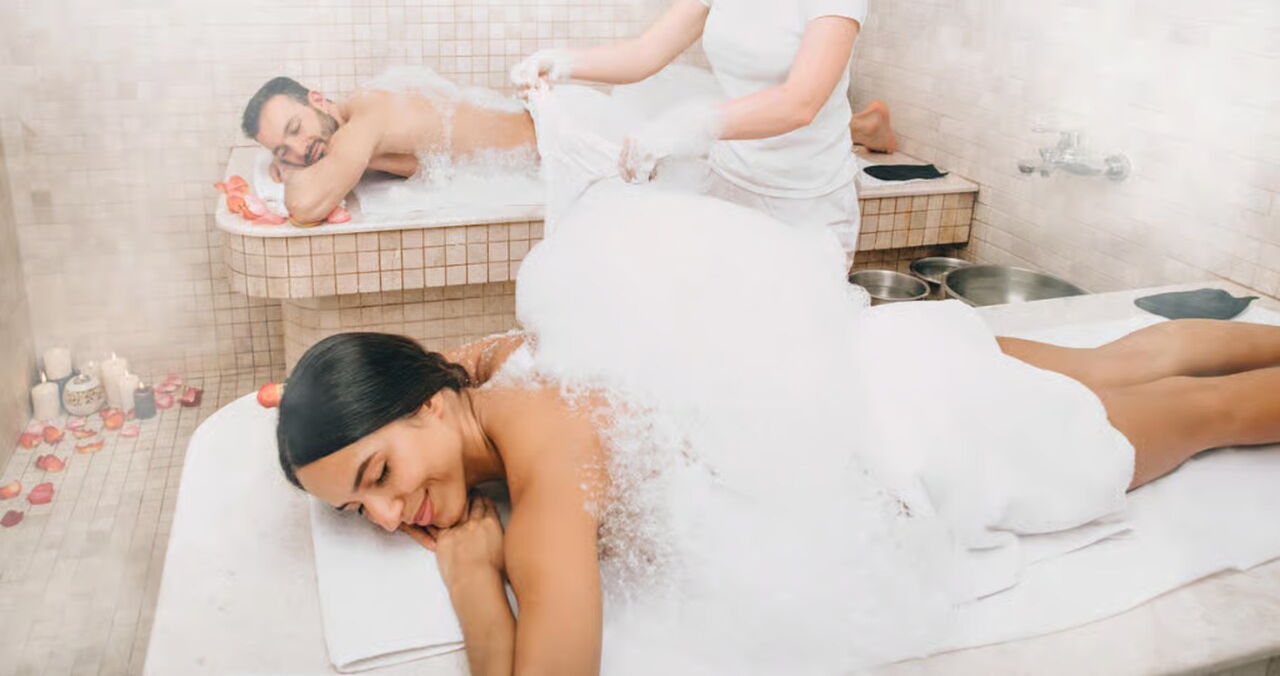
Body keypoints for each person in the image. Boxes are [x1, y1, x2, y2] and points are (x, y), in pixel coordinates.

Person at [274, 184, 1280, 675]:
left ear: (427, 402)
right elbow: (453, 358)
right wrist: (316, 407)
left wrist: (470, 582)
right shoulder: (497, 364)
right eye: (356, 505)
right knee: (1120, 360)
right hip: (880, 353)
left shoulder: (544, 461)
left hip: (932, 435)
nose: (387, 512)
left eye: (378, 471)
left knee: (1207, 418)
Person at [511, 0, 896, 254]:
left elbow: (801, 102)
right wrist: (562, 63)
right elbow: (646, 52)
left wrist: (695, 123)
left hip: (805, 202)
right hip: (728, 187)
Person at [240, 76, 537, 224]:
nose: (298, 149)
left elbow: (304, 207)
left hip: (551, 141)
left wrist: (288, 168)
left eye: (295, 128)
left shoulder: (368, 116)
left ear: (317, 100)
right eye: (283, 151)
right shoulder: (357, 136)